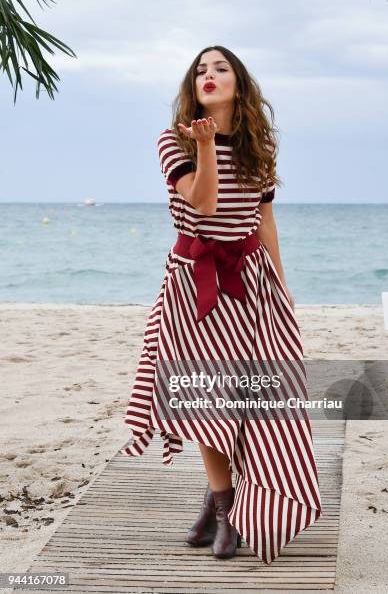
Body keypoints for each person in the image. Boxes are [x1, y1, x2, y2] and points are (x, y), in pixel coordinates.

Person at [121, 45, 322, 564]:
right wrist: (206, 146)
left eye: (221, 68)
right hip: (195, 286)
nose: (209, 75)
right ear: (193, 86)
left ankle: (218, 505)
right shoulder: (174, 141)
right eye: (200, 70)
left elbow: (265, 221)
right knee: (209, 399)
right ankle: (227, 507)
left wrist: (282, 283)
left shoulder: (260, 144)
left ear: (240, 82)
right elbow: (203, 203)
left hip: (252, 285)